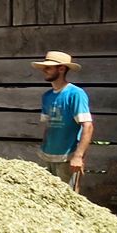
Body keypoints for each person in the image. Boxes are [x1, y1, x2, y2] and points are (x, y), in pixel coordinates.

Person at [34, 51, 93, 191]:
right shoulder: (47, 96)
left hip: (67, 158)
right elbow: (48, 126)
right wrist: (43, 149)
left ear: (61, 69)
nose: (44, 70)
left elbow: (88, 126)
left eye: (48, 67)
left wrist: (78, 156)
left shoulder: (75, 94)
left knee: (68, 200)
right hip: (47, 156)